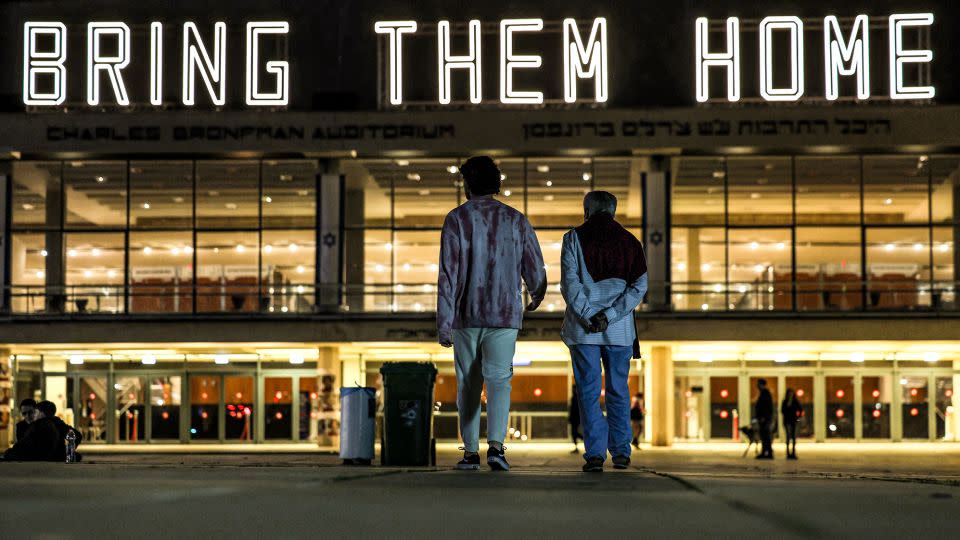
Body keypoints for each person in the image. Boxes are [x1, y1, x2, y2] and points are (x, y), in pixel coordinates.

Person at [437, 155, 547, 472]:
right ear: (496, 183)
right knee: (499, 380)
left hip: (465, 314)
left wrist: (444, 322)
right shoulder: (516, 219)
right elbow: (534, 265)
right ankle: (497, 449)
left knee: (467, 384)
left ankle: (470, 453)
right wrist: (536, 292)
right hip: (505, 314)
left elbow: (448, 274)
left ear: (467, 183)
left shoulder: (456, 219)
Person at [560, 191, 647, 472]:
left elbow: (569, 284)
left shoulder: (572, 238)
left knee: (587, 391)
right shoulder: (631, 242)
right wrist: (609, 316)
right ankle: (622, 452)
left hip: (584, 330)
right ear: (613, 210)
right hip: (620, 331)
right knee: (618, 390)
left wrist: (589, 316)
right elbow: (639, 287)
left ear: (586, 210)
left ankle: (595, 453)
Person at [754, 379, 774, 459]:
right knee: (764, 436)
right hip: (764, 418)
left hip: (764, 419)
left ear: (762, 384)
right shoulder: (763, 393)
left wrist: (763, 417)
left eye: (758, 384)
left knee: (765, 435)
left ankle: (768, 453)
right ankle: (766, 452)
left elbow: (766, 407)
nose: (757, 386)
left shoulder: (765, 393)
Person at [781, 388, 802, 460]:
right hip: (787, 421)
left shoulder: (795, 401)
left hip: (793, 421)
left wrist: (798, 417)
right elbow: (782, 411)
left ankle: (793, 453)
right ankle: (788, 453)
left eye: (791, 393)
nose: (790, 395)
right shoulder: (785, 402)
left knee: (793, 437)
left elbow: (800, 409)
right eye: (789, 394)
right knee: (787, 437)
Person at [569, 384, 582, 453]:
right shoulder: (577, 398)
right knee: (575, 433)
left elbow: (574, 410)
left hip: (575, 419)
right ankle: (581, 440)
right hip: (576, 419)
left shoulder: (575, 398)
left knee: (574, 433)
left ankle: (583, 439)